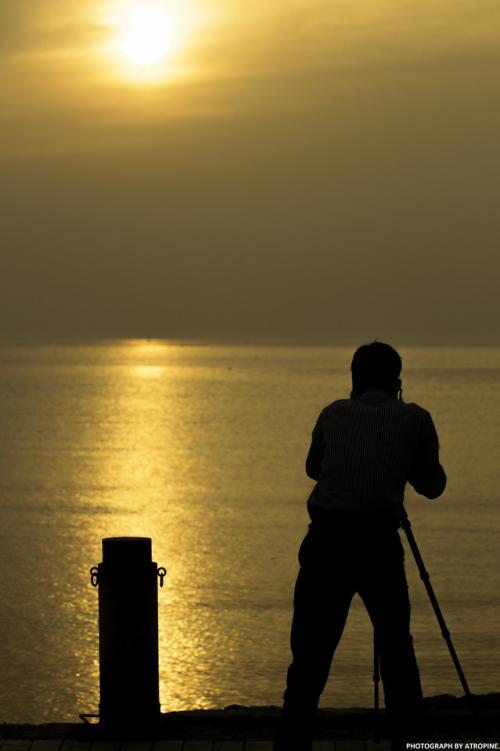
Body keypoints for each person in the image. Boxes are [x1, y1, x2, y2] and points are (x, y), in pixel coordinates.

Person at [276, 341, 447, 750]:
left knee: (310, 654)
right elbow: (433, 486)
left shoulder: (333, 413)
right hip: (377, 543)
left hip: (326, 542)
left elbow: (313, 468)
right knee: (396, 648)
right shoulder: (415, 418)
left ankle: (292, 743)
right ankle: (409, 740)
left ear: (353, 380)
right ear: (397, 382)